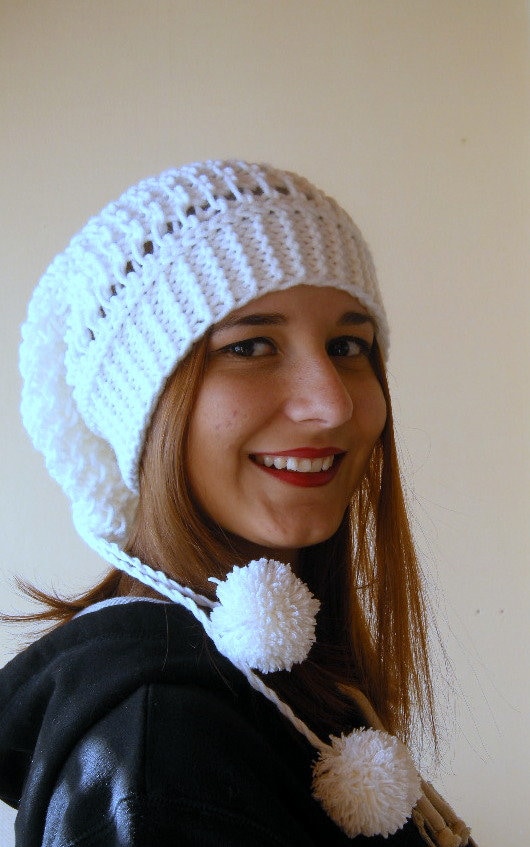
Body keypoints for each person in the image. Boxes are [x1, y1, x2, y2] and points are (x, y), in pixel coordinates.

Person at [0, 160, 476, 846]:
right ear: (146, 411)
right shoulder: (164, 755)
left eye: (348, 346)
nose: (332, 403)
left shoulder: (282, 683)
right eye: (251, 346)